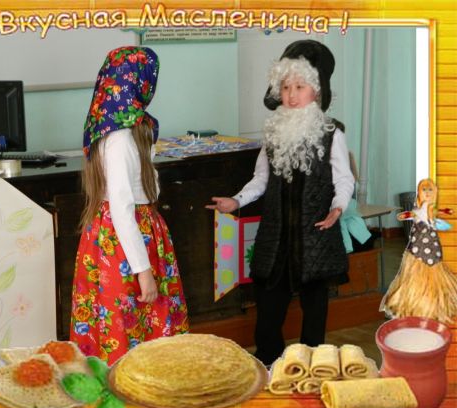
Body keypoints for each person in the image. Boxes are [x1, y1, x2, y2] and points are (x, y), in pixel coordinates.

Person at [207, 40, 354, 366]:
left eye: (300, 87)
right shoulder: (273, 133)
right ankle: (268, 359)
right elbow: (261, 179)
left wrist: (338, 207)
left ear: (316, 90)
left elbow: (344, 179)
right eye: (286, 87)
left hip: (315, 233)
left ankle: (312, 361)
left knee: (315, 303)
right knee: (269, 299)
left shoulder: (332, 134)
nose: (291, 95)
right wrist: (236, 201)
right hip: (276, 234)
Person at [70, 46, 189, 365]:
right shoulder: (120, 139)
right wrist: (143, 271)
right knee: (129, 324)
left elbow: (145, 188)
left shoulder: (121, 131)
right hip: (126, 243)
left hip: (127, 235)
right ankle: (129, 384)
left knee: (133, 322)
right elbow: (123, 209)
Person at [381, 178, 457, 324]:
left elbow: (441, 218)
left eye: (430, 190)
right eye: (424, 190)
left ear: (434, 193)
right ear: (419, 193)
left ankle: (432, 306)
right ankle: (412, 305)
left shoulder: (432, 211)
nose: (427, 193)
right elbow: (409, 215)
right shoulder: (417, 211)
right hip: (416, 250)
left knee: (435, 278)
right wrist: (405, 215)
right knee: (412, 277)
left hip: (432, 251)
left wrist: (444, 213)